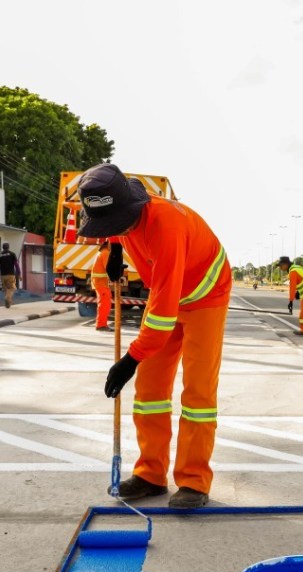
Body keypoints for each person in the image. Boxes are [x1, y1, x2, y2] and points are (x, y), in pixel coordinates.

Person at [77, 163, 231, 510]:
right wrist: (114, 250)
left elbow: (161, 318)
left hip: (206, 294)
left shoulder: (167, 226)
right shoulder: (122, 214)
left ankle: (193, 481)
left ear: (131, 208)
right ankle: (151, 474)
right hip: (170, 289)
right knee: (149, 392)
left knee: (198, 392)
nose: (114, 228)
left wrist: (129, 359)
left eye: (116, 225)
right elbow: (115, 225)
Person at [277, 256, 303, 336]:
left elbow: (292, 288)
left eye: (280, 266)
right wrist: (298, 292)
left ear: (285, 264)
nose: (280, 268)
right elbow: (302, 279)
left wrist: (291, 301)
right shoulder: (296, 267)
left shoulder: (293, 272)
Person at [91, 239, 114, 331]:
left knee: (105, 303)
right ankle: (101, 325)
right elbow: (108, 269)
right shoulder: (105, 253)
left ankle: (102, 324)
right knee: (104, 304)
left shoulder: (102, 252)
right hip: (100, 283)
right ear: (108, 243)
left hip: (101, 283)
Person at [0, 242, 21, 308]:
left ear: (2, 247)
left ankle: (8, 303)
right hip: (11, 274)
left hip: (3, 275)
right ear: (8, 247)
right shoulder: (12, 254)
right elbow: (16, 265)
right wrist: (19, 274)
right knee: (11, 288)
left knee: (5, 289)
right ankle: (7, 298)